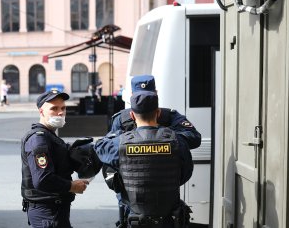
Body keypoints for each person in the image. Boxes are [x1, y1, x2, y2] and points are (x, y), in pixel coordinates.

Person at [95, 90, 193, 227]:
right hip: (169, 220)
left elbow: (99, 147)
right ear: (158, 113)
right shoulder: (177, 141)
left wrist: (119, 133)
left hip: (135, 219)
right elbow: (186, 173)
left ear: (131, 115)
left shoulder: (120, 144)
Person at [21, 90, 90, 228]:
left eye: (63, 108)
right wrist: (72, 186)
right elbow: (43, 179)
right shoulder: (38, 139)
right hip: (47, 213)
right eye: (54, 108)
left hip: (54, 211)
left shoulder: (49, 136)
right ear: (41, 112)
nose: (60, 112)